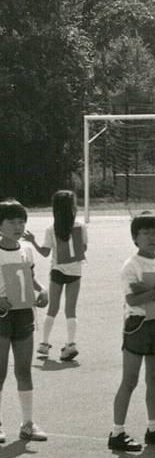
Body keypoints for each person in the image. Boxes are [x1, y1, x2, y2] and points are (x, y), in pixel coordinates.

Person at [109, 212, 155, 452]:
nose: (152, 237)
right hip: (138, 324)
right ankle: (117, 431)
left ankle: (153, 428)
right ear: (136, 237)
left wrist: (148, 291)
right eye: (146, 233)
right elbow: (132, 299)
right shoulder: (131, 265)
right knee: (130, 380)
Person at [0, 199, 49, 444]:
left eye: (21, 221)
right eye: (11, 221)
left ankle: (27, 423)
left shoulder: (25, 250)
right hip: (1, 316)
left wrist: (42, 291)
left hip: (23, 314)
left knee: (24, 370)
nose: (18, 226)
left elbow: (30, 278)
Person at [24, 189, 86, 362]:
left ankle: (44, 343)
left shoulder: (51, 229)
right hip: (75, 272)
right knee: (70, 310)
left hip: (57, 271)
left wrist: (32, 241)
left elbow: (45, 253)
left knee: (53, 308)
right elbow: (84, 248)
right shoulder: (81, 226)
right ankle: (71, 344)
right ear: (73, 207)